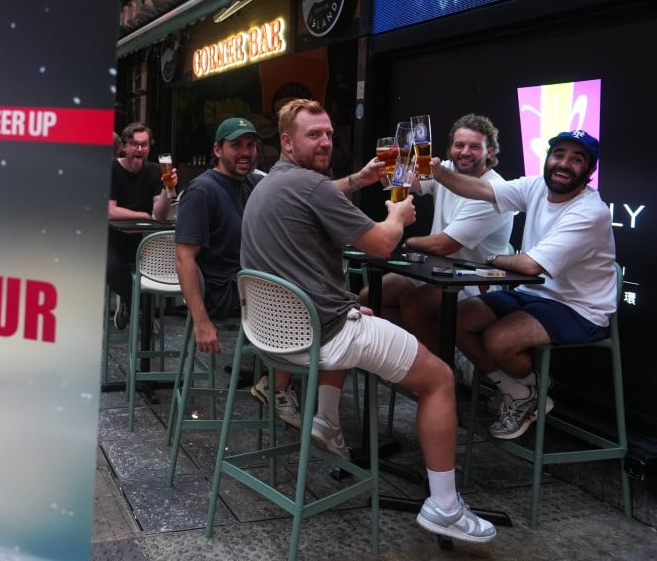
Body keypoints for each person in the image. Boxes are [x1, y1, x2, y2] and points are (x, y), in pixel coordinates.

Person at [241, 98, 497, 543]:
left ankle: (326, 420)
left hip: (275, 335)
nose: (325, 141)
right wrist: (396, 216)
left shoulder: (272, 185)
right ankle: (444, 506)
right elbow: (381, 244)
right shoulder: (311, 186)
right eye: (312, 135)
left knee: (355, 306)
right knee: (438, 378)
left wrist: (358, 180)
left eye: (328, 133)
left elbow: (317, 198)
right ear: (286, 141)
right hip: (325, 334)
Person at [431, 129, 616, 440]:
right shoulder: (536, 186)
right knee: (458, 319)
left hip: (580, 308)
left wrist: (493, 259)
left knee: (497, 339)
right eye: (559, 155)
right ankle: (521, 391)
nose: (564, 163)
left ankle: (526, 390)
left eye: (577, 158)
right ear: (548, 158)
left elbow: (530, 265)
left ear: (590, 170)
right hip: (533, 294)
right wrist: (438, 173)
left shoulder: (591, 212)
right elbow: (481, 190)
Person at [360, 114, 514, 376]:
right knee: (370, 297)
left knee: (413, 305)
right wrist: (387, 166)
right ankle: (420, 358)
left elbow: (444, 245)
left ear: (490, 152)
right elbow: (399, 182)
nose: (465, 152)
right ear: (450, 147)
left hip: (474, 279)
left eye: (474, 147)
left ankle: (445, 370)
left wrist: (401, 237)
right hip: (436, 271)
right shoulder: (447, 171)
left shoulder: (493, 190)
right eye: (459, 145)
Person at [175, 117, 263, 354]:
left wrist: (354, 181)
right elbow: (184, 259)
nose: (246, 152)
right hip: (225, 295)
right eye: (236, 146)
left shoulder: (251, 182)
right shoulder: (202, 190)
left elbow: (299, 192)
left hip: (250, 284)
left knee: (311, 291)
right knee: (304, 303)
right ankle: (277, 384)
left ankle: (274, 377)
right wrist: (201, 322)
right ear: (217, 149)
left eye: (251, 145)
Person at [107, 122, 177, 328]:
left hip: (144, 240)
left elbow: (160, 214)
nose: (140, 149)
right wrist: (145, 214)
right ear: (123, 147)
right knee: (110, 267)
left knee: (159, 266)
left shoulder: (156, 171)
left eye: (144, 145)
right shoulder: (111, 168)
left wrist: (167, 189)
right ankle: (134, 305)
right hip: (115, 238)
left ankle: (137, 307)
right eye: (135, 145)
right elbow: (110, 211)